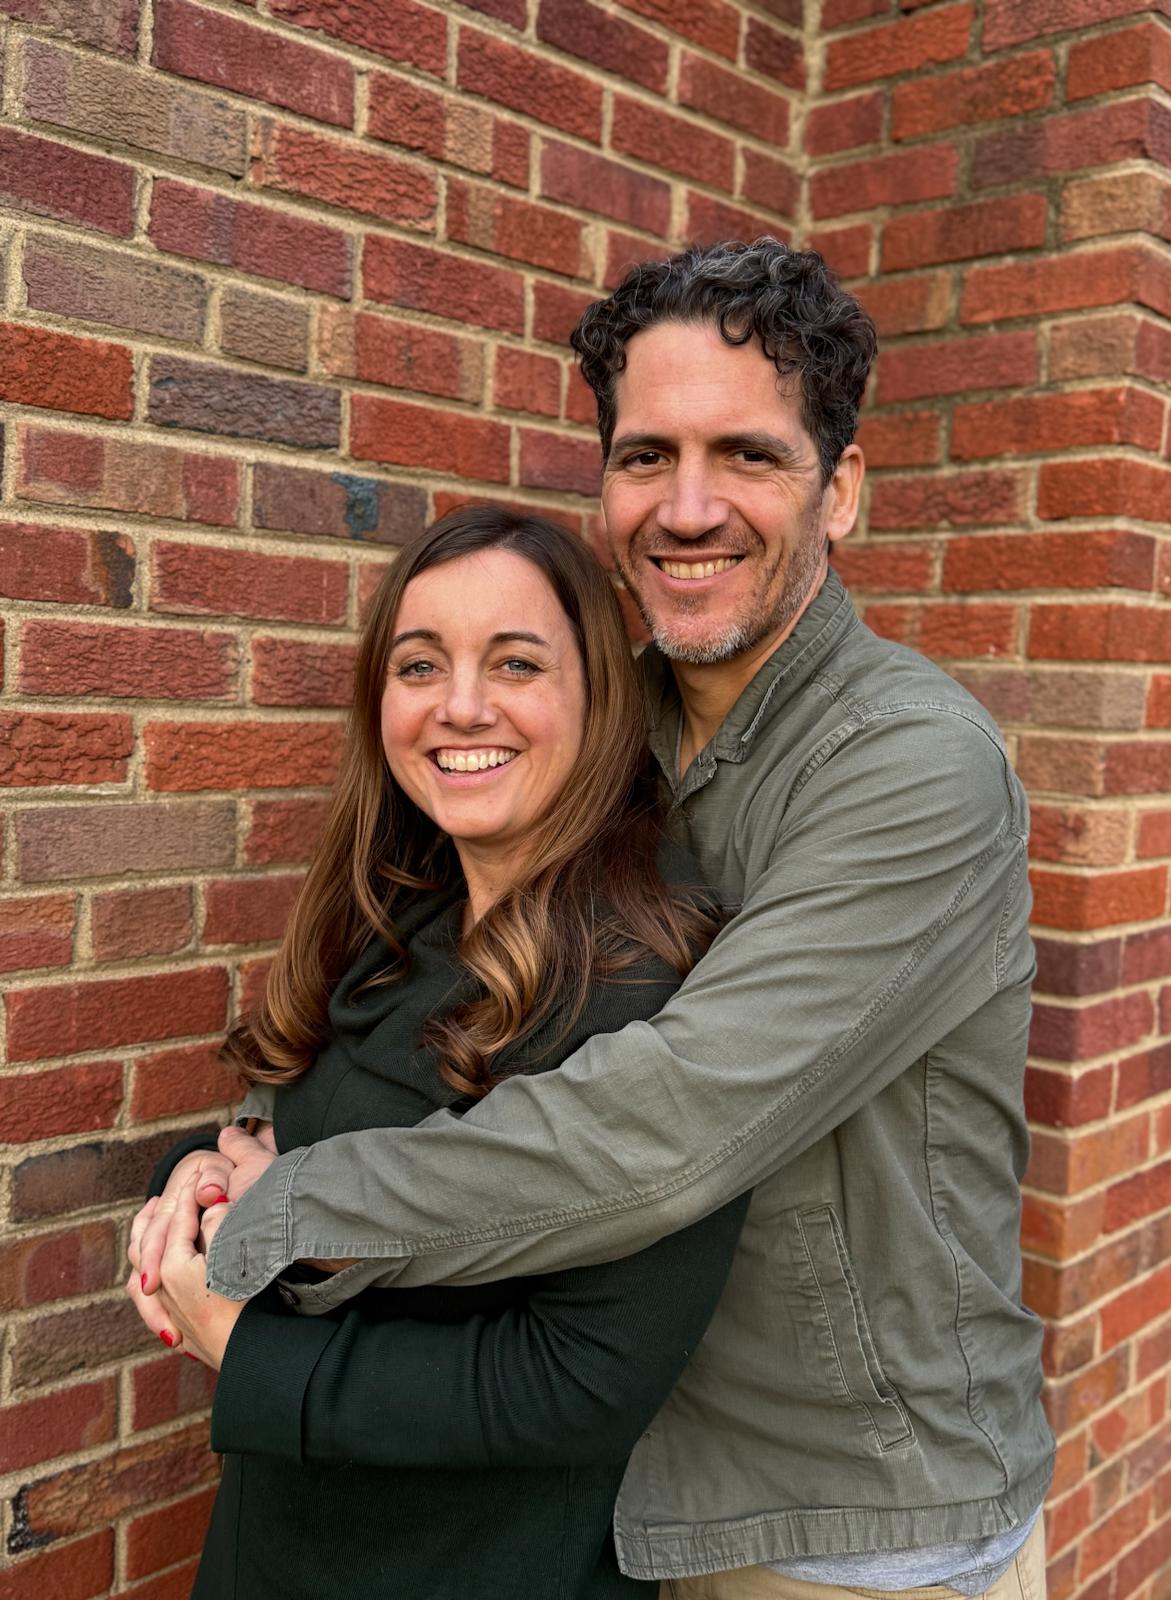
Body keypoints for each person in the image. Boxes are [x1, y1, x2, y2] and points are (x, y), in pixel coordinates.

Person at [137, 239, 1055, 1598]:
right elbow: (427, 924)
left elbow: (670, 1120)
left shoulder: (912, 766)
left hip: (847, 1521)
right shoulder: (608, 718)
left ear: (841, 488)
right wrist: (260, 1133)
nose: (688, 508)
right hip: (620, 1508)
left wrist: (291, 1215)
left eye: (747, 455)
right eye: (645, 457)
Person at [127, 506, 750, 1600]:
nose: (461, 706)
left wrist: (246, 1349)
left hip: (488, 1565)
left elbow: (585, 1380)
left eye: (515, 663)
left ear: (596, 698)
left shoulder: (658, 987)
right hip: (273, 1548)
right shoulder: (388, 927)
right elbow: (293, 1135)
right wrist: (196, 1176)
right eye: (422, 664)